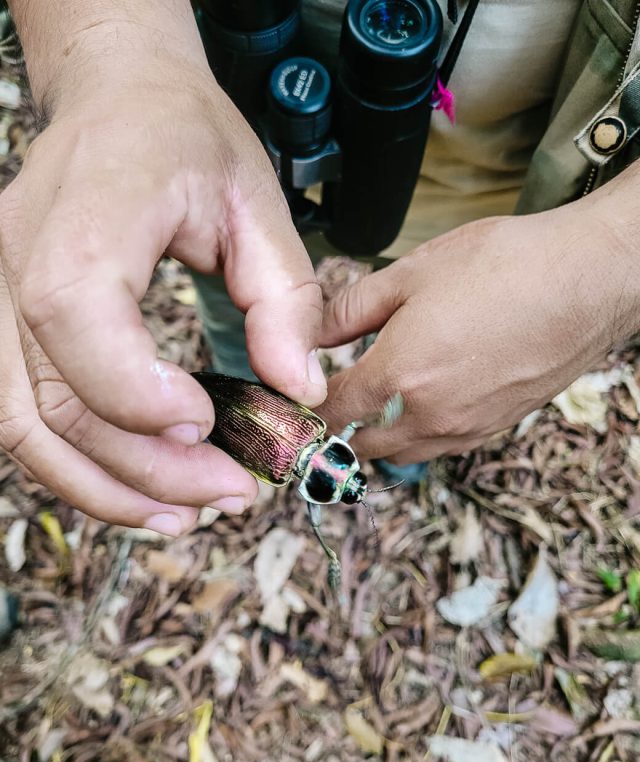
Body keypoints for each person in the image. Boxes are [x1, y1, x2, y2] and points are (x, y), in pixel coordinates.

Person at [0, 0, 638, 537]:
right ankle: (267, 378)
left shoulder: (298, 447)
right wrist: (111, 47)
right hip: (236, 112)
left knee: (337, 329)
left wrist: (611, 254)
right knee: (252, 310)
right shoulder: (302, 444)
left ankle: (389, 435)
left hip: (506, 168)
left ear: (329, 470)